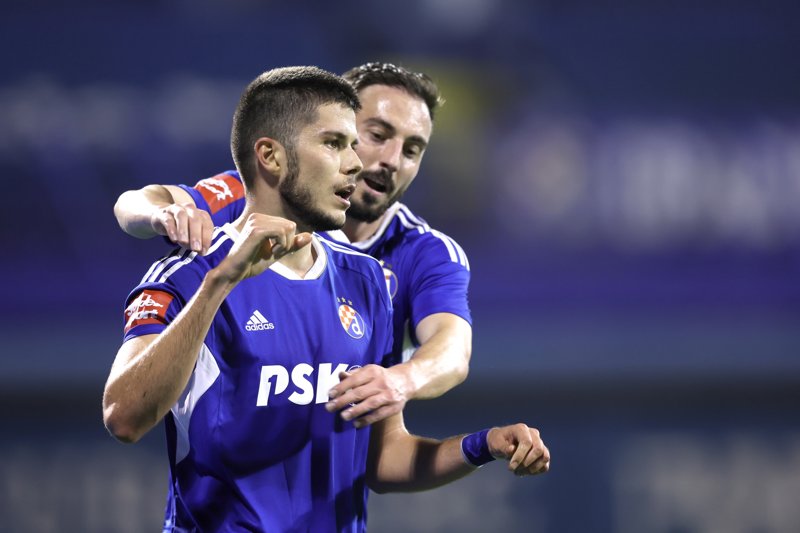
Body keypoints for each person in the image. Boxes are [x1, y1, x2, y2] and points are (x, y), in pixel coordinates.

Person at [103, 66, 550, 532]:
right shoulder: (195, 265)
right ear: (272, 157)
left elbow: (385, 453)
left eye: (412, 149)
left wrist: (482, 444)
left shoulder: (373, 279)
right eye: (343, 142)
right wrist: (200, 259)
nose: (364, 162)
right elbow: (123, 417)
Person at [114, 62, 471, 427]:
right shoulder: (259, 196)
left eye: (412, 150)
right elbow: (135, 202)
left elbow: (452, 350)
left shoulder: (425, 252)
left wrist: (402, 380)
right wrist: (164, 215)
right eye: (377, 135)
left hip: (342, 444)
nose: (392, 161)